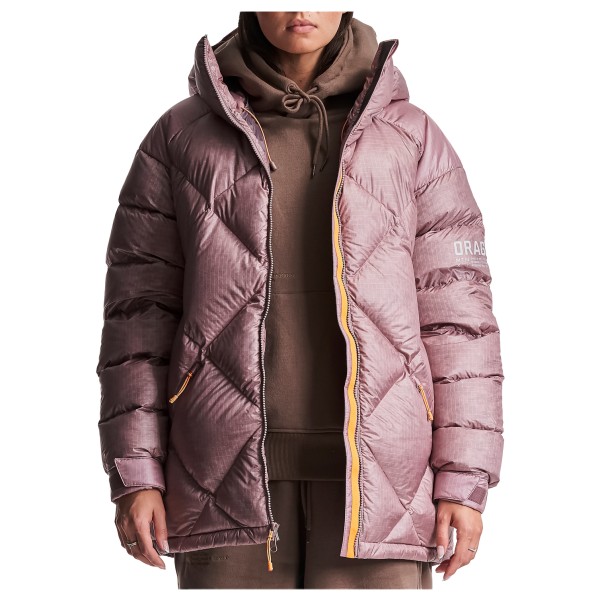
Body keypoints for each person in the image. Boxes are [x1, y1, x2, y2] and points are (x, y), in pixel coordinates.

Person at [96, 11, 504, 590]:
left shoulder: (413, 140)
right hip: (219, 483)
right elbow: (138, 320)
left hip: (386, 489)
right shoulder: (179, 139)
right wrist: (136, 471)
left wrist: (464, 479)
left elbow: (459, 323)